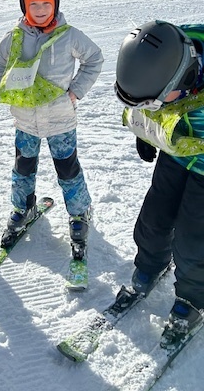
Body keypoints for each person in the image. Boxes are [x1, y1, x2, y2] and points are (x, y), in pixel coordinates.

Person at [0, 0, 103, 255]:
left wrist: (75, 91)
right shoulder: (14, 38)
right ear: (24, 7)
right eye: (33, 5)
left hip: (60, 120)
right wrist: (12, 91)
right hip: (26, 121)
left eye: (45, 4)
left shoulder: (69, 36)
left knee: (67, 168)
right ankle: (22, 208)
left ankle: (79, 214)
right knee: (23, 168)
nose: (40, 10)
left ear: (55, 4)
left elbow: (94, 59)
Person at [115, 20, 204, 344]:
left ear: (189, 76)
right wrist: (148, 132)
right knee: (153, 219)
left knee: (195, 240)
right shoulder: (170, 44)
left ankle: (192, 298)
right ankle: (150, 265)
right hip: (176, 153)